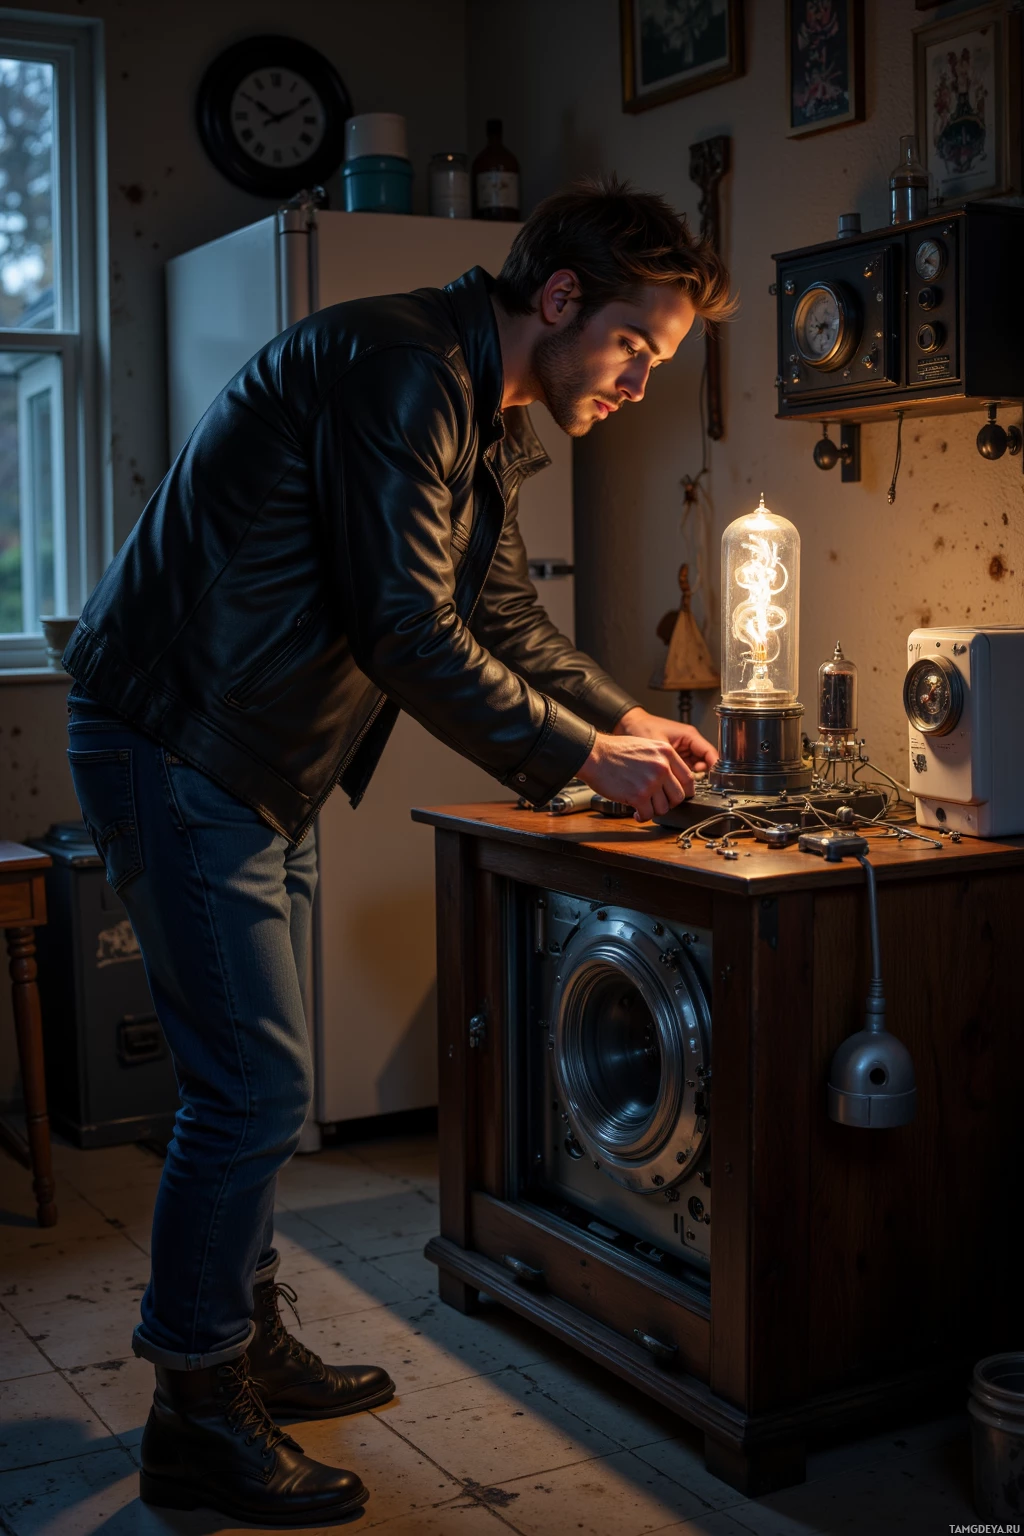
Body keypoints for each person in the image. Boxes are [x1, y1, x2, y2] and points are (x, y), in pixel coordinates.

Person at [62, 174, 734, 1525]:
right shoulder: (398, 371)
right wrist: (581, 762)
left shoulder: (483, 416)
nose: (640, 382)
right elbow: (406, 629)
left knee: (247, 1083)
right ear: (559, 301)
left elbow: (504, 621)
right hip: (178, 737)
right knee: (252, 1090)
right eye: (634, 347)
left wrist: (624, 711)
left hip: (257, 756)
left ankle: (241, 1343)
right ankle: (195, 1407)